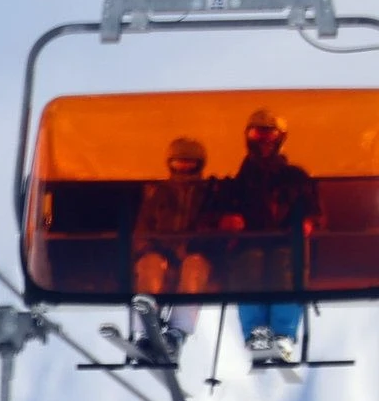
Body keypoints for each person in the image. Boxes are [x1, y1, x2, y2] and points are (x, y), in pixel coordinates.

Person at [221, 107, 319, 363]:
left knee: (285, 271)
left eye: (269, 135)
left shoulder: (295, 177)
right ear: (249, 137)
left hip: (285, 242)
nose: (263, 141)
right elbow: (222, 209)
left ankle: (283, 335)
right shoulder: (238, 182)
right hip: (248, 244)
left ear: (279, 138)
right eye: (257, 134)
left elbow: (314, 209)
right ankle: (256, 334)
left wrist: (307, 222)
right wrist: (229, 222)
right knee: (248, 268)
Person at [126, 137, 219, 368]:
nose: (184, 169)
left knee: (194, 267)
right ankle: (145, 329)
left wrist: (204, 246)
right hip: (162, 254)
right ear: (170, 164)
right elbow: (142, 228)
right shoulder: (158, 194)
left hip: (194, 255)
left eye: (190, 164)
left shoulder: (209, 194)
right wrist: (146, 248)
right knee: (150, 264)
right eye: (179, 164)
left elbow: (217, 228)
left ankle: (176, 333)